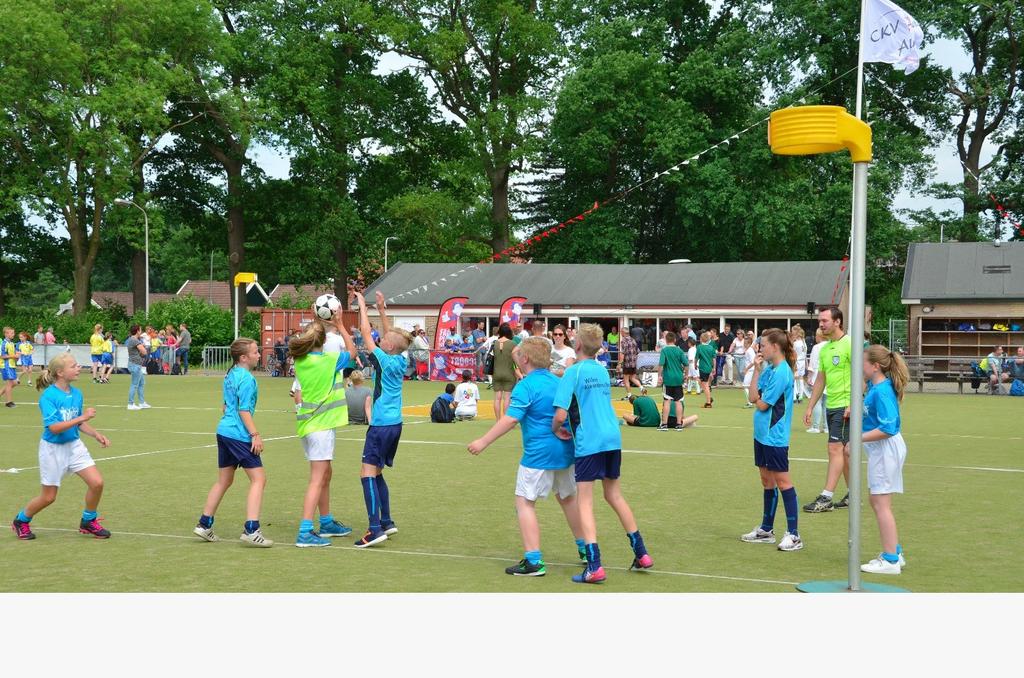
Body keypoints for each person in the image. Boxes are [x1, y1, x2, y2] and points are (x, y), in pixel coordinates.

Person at [468, 337, 586, 576]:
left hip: (538, 454)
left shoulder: (526, 386)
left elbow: (511, 419)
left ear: (525, 359)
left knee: (524, 502)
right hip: (566, 450)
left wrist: (483, 441)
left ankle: (533, 560)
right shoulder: (558, 381)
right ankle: (586, 549)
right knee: (568, 499)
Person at [552, 323, 653, 584]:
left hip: (589, 441)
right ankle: (641, 553)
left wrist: (557, 429)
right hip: (612, 438)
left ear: (577, 345)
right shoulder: (600, 370)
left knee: (585, 501)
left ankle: (594, 565)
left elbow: (561, 414)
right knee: (614, 495)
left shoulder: (572, 373)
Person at [11, 353, 112, 541]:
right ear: (60, 372)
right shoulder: (48, 397)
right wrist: (82, 418)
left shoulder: (77, 393)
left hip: (74, 446)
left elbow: (78, 423)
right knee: (49, 497)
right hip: (52, 450)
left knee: (97, 483)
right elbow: (55, 428)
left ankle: (88, 521)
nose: (78, 368)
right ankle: (21, 520)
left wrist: (96, 434)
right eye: (73, 366)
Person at [193, 338, 272, 547]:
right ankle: (251, 529)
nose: (259, 354)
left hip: (224, 432)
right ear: (244, 357)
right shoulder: (247, 379)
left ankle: (204, 524)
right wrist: (255, 434)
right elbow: (243, 410)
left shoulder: (230, 374)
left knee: (224, 481)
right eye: (255, 352)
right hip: (238, 435)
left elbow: (225, 406)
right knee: (259, 479)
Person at [288, 318, 358, 547]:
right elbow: (353, 351)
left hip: (308, 425)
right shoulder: (329, 361)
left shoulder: (300, 360)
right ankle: (305, 531)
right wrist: (340, 324)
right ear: (324, 341)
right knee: (317, 479)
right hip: (321, 426)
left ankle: (326, 522)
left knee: (326, 473)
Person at [352, 291, 413, 548]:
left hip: (381, 426)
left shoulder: (385, 360)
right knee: (376, 473)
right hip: (395, 424)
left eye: (384, 339)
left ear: (387, 347)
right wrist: (382, 310)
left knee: (366, 474)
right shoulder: (399, 357)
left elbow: (367, 335)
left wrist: (364, 308)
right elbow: (393, 337)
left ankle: (374, 528)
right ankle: (387, 521)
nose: (381, 338)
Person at [740, 328, 802, 552]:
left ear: (775, 347)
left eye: (763, 345)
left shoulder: (782, 372)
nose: (760, 349)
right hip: (761, 435)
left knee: (784, 482)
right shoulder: (769, 369)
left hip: (775, 437)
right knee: (767, 481)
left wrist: (758, 398)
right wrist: (757, 370)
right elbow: (752, 396)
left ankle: (794, 534)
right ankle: (766, 530)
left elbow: (763, 403)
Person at [860, 345, 911, 575]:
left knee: (881, 503)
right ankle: (895, 552)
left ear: (875, 366)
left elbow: (889, 427)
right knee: (876, 500)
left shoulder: (882, 391)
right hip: (881, 449)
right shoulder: (874, 385)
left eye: (863, 363)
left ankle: (890, 560)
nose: (860, 366)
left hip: (885, 448)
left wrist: (857, 438)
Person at [802, 306, 852, 513]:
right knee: (845, 453)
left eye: (825, 320)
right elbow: (821, 379)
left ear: (838, 321)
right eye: (820, 321)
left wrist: (853, 403)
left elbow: (862, 375)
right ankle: (853, 494)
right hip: (831, 405)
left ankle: (826, 497)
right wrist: (811, 405)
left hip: (845, 406)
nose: (821, 324)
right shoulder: (825, 349)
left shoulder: (850, 344)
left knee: (835, 449)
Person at [656, 332, 689, 431]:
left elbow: (661, 364)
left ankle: (664, 424)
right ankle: (678, 424)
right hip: (678, 378)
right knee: (678, 401)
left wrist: (659, 376)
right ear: (675, 340)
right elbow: (686, 364)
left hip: (668, 378)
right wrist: (686, 375)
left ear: (666, 340)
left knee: (667, 401)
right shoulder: (679, 350)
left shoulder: (664, 350)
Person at [491, 323, 520, 420]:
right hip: (509, 373)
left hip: (496, 373)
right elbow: (516, 360)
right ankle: (505, 421)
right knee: (507, 398)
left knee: (497, 398)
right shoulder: (513, 344)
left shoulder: (494, 343)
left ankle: (498, 420)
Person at [624, 393, 697, 429]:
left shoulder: (666, 401)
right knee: (695, 417)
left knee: (625, 415)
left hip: (665, 422)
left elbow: (637, 415)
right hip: (663, 422)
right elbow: (681, 416)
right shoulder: (680, 402)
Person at [806, 329, 827, 433]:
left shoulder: (816, 347)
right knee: (826, 404)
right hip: (829, 378)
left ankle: (815, 426)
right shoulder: (831, 345)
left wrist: (809, 378)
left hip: (817, 377)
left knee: (817, 402)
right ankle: (826, 427)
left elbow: (812, 364)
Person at [124, 325, 150, 410]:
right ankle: (130, 404)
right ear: (137, 331)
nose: (141, 332)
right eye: (140, 330)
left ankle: (142, 402)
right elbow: (144, 351)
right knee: (134, 384)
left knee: (141, 383)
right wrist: (143, 349)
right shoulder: (134, 340)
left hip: (136, 364)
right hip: (135, 365)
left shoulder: (133, 340)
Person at [618, 328, 643, 399]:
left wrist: (619, 363)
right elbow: (638, 352)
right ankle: (642, 388)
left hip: (627, 363)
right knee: (632, 378)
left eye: (621, 332)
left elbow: (623, 353)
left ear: (623, 333)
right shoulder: (633, 340)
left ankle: (629, 395)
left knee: (626, 379)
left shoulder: (623, 341)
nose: (621, 333)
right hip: (633, 363)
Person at [696, 331, 716, 408]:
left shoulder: (699, 347)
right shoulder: (711, 348)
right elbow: (714, 359)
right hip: (709, 368)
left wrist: (695, 364)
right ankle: (709, 398)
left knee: (705, 384)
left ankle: (708, 402)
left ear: (701, 339)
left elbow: (696, 357)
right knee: (701, 382)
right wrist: (714, 368)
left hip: (702, 368)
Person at [2, 327, 20, 408]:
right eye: (11, 333)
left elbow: (14, 356)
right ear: (6, 334)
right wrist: (14, 356)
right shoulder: (4, 343)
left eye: (13, 333)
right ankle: (8, 402)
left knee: (15, 383)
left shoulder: (12, 344)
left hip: (11, 365)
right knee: (9, 383)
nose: (13, 334)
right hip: (6, 365)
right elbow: (2, 356)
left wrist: (17, 356)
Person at [791, 325, 808, 403]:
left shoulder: (796, 343)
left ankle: (795, 396)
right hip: (802, 362)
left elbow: (794, 355)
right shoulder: (804, 342)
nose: (791, 333)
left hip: (797, 362)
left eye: (792, 331)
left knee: (794, 379)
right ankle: (800, 396)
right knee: (800, 379)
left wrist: (793, 364)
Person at [741, 333, 757, 407]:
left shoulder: (749, 351)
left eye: (745, 343)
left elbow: (753, 362)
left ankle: (750, 402)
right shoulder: (748, 350)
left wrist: (746, 369)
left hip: (750, 370)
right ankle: (751, 401)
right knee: (748, 386)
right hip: (751, 370)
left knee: (745, 386)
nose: (744, 344)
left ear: (749, 343)